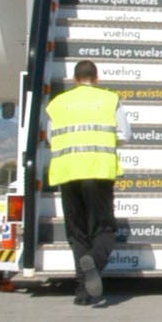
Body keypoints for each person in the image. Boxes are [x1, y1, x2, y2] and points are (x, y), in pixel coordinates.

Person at [45, 60, 127, 307]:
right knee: (104, 229)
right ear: (96, 78)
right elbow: (125, 134)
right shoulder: (109, 99)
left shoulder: (57, 104)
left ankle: (83, 292)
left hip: (67, 172)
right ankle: (94, 261)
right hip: (99, 171)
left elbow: (50, 138)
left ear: (74, 79)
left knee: (77, 232)